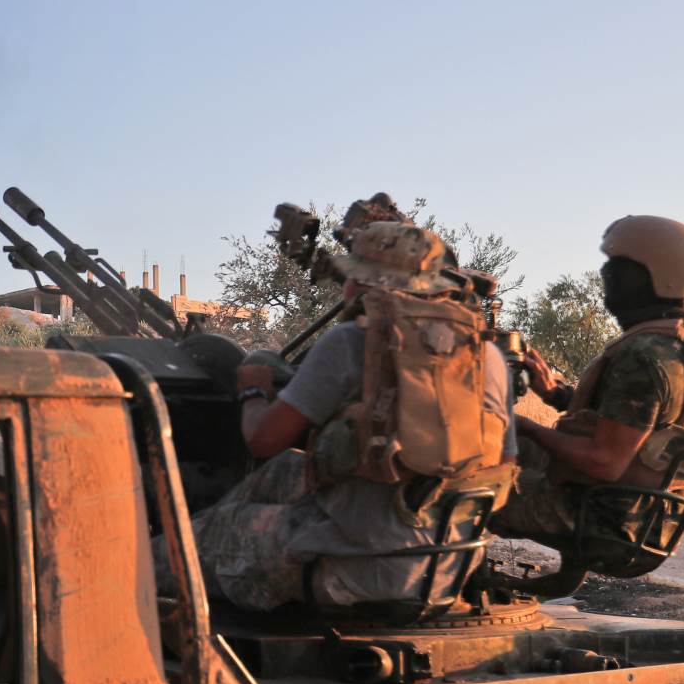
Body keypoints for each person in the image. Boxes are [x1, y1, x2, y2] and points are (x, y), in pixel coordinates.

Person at [190, 222, 518, 615]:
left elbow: (261, 439)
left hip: (354, 573)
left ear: (366, 283)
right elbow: (506, 465)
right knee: (280, 472)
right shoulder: (488, 358)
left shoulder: (349, 343)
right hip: (446, 568)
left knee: (179, 546)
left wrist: (252, 390)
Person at [491, 216, 684, 562]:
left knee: (450, 478)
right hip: (649, 511)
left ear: (656, 275)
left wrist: (523, 425)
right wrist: (556, 393)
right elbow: (640, 421)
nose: (606, 275)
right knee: (498, 454)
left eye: (620, 268)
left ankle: (428, 587)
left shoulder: (646, 356)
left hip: (603, 515)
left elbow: (603, 462)